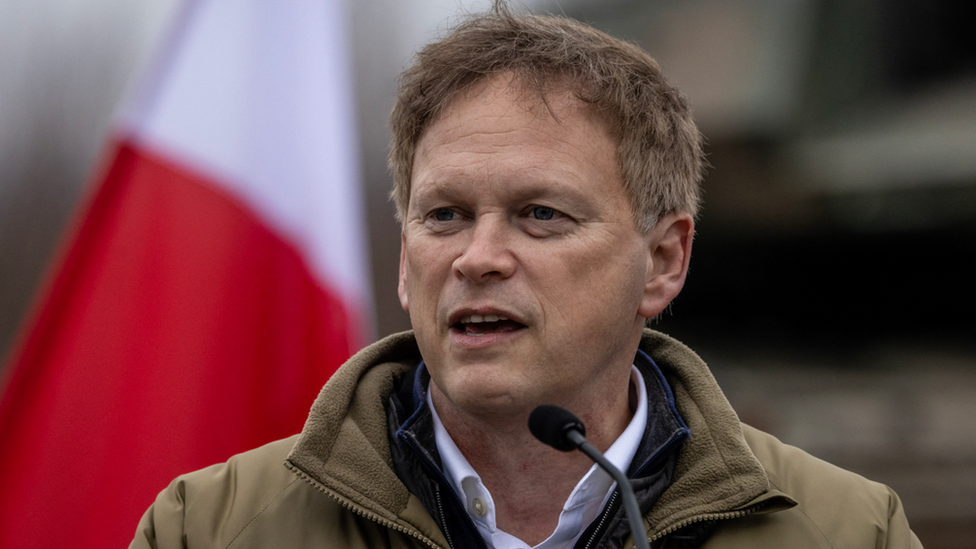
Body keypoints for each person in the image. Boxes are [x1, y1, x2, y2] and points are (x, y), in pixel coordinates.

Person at [130, 3, 922, 548]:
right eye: (443, 215)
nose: (477, 257)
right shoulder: (211, 526)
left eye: (540, 215)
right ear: (406, 261)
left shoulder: (848, 530)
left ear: (664, 259)